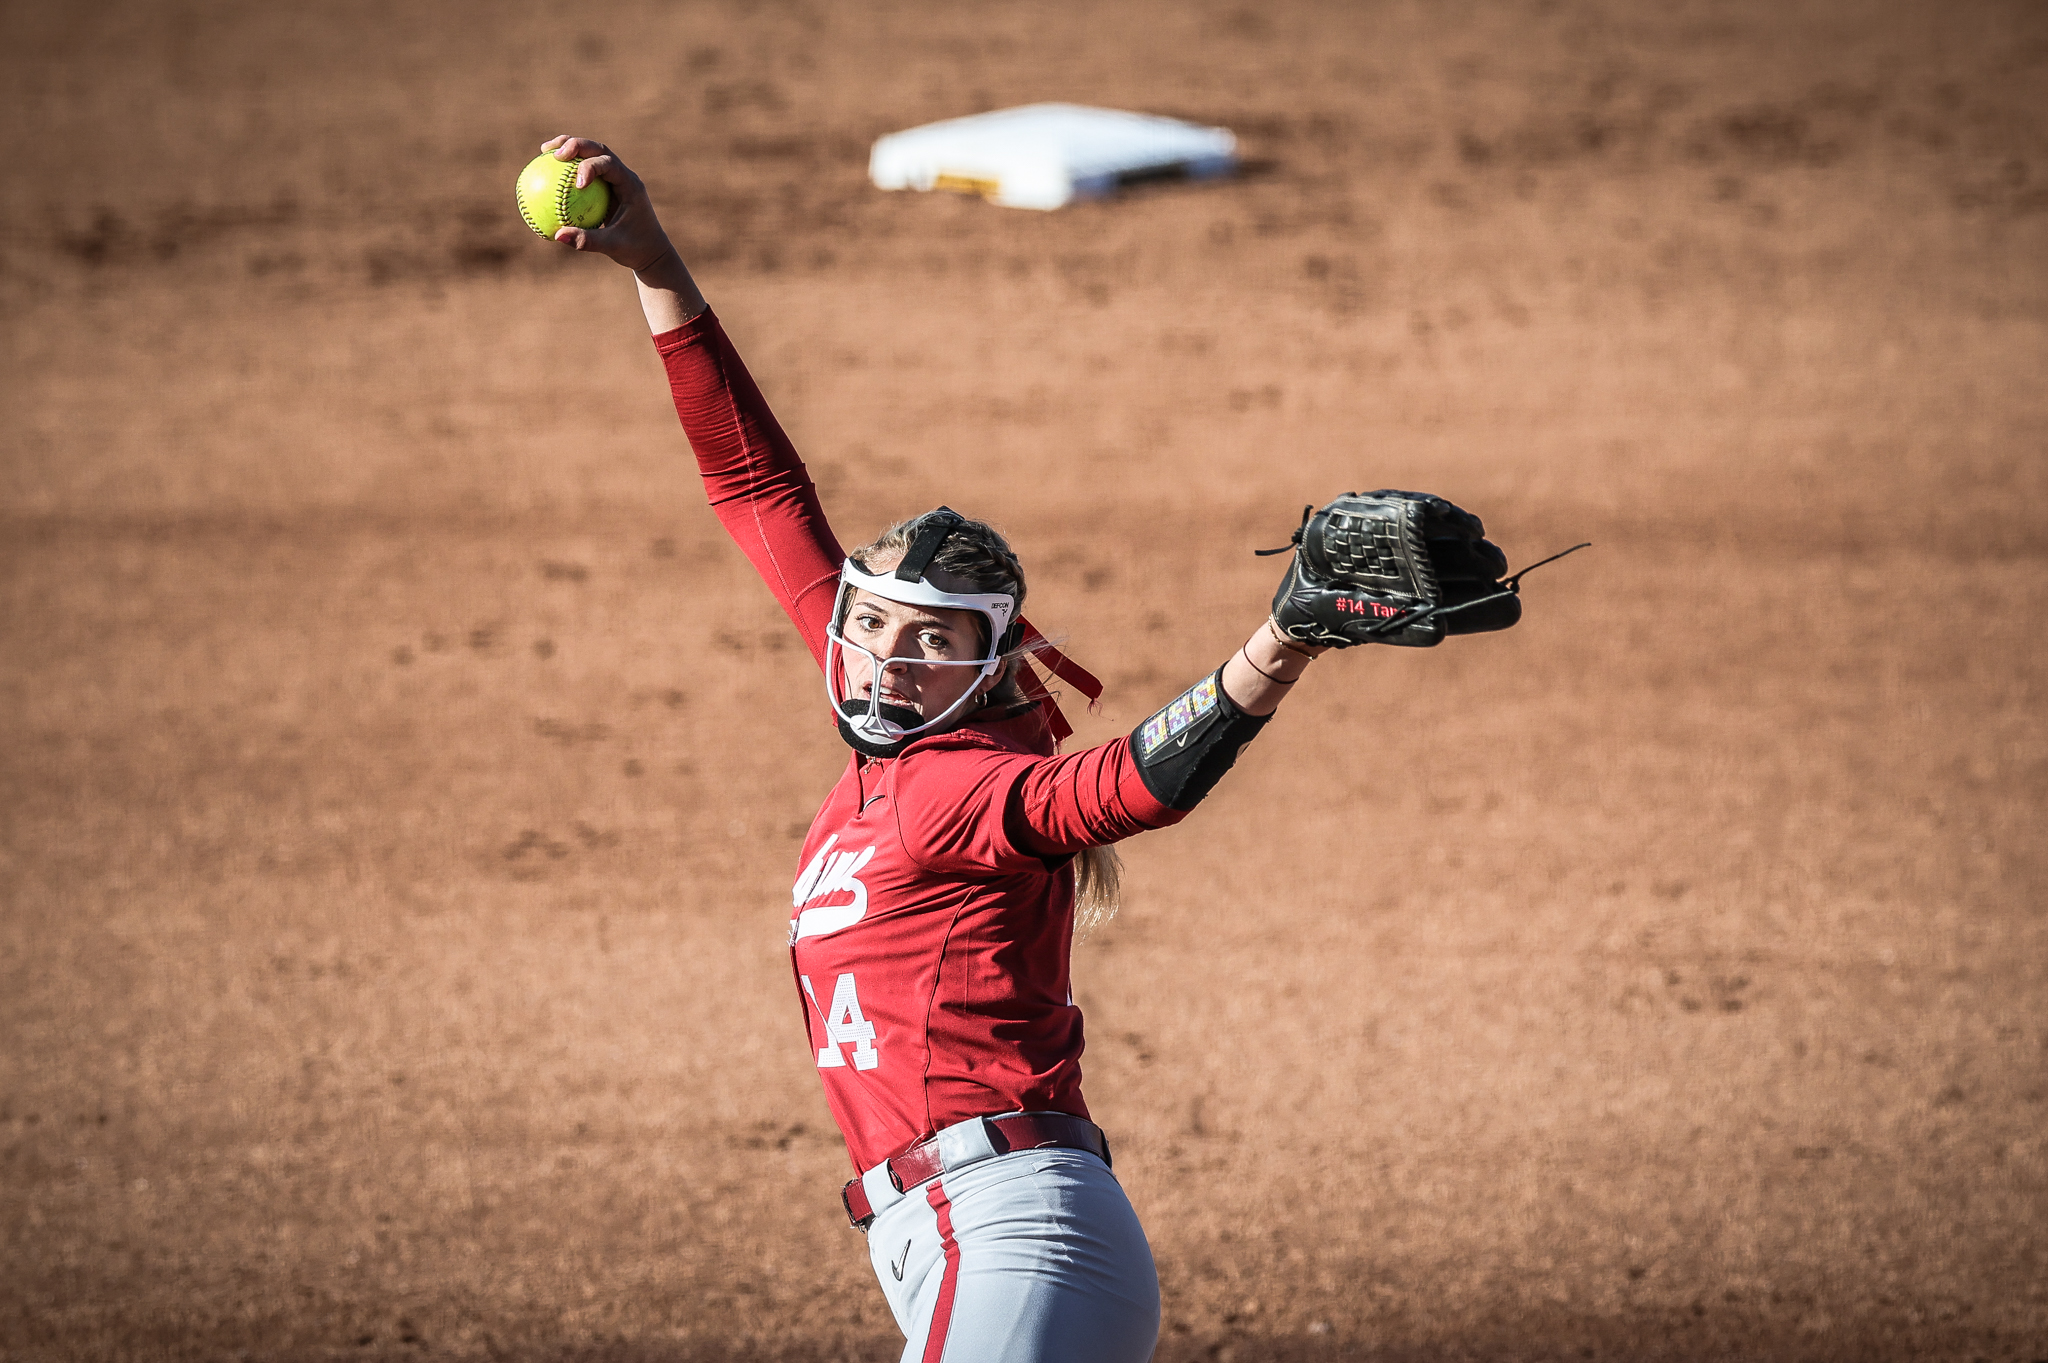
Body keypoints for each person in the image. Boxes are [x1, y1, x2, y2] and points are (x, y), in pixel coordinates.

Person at [532, 135, 1517, 1363]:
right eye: (872, 629)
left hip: (1009, 1234)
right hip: (955, 1239)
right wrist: (652, 261)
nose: (890, 664)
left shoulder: (960, 786)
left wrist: (1280, 640)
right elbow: (751, 485)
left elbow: (1129, 787)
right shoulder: (888, 733)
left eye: (930, 645)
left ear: (991, 663)